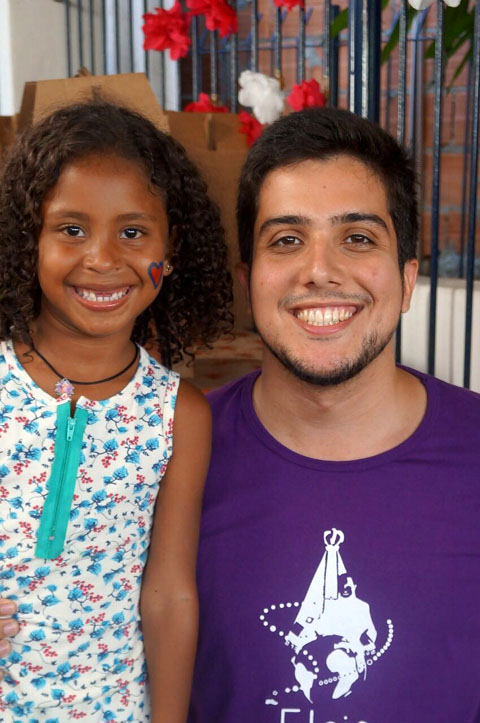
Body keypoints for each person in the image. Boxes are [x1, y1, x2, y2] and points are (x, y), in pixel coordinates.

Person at [187, 107, 480, 722]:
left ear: (407, 279)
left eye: (358, 238)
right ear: (248, 279)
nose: (319, 270)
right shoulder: (171, 458)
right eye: (287, 240)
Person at [0, 100, 232, 722]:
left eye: (132, 232)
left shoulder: (178, 415)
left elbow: (169, 595)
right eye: (71, 229)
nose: (102, 259)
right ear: (30, 240)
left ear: (171, 248)